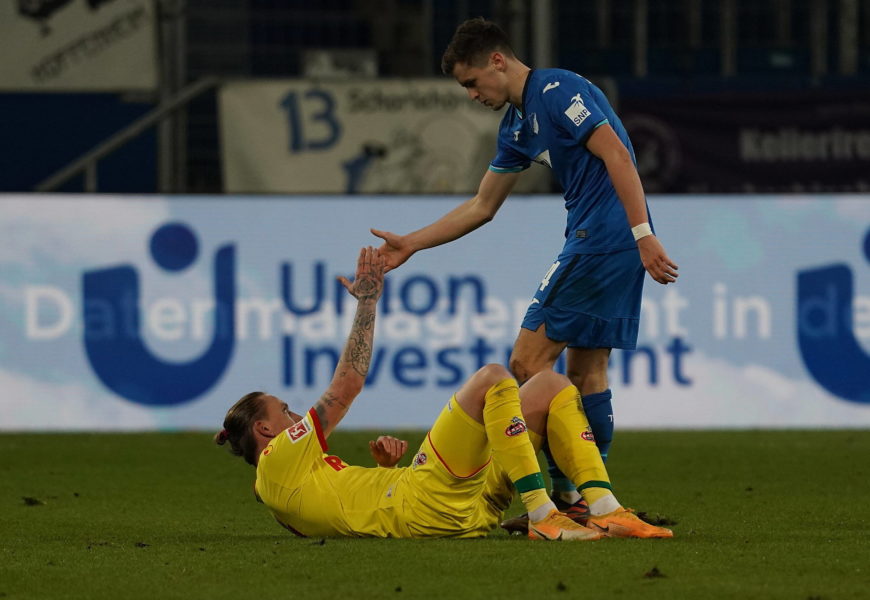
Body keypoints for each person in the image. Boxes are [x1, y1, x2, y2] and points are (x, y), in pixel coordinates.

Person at [370, 18, 679, 524]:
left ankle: (565, 498)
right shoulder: (516, 124)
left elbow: (619, 154)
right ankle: (582, 501)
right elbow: (481, 206)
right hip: (605, 240)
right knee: (584, 373)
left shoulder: (559, 90)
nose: (471, 95)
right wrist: (413, 243)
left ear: (498, 60)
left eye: (472, 82)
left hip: (601, 240)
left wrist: (643, 236)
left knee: (524, 365)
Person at [215, 247, 672, 541]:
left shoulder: (283, 489)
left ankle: (602, 506)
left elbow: (342, 512)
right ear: (264, 429)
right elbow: (346, 384)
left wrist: (382, 474)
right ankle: (542, 514)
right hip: (426, 500)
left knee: (552, 386)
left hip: (466, 513)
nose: (295, 414)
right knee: (494, 376)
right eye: (285, 410)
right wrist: (369, 301)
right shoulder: (277, 458)